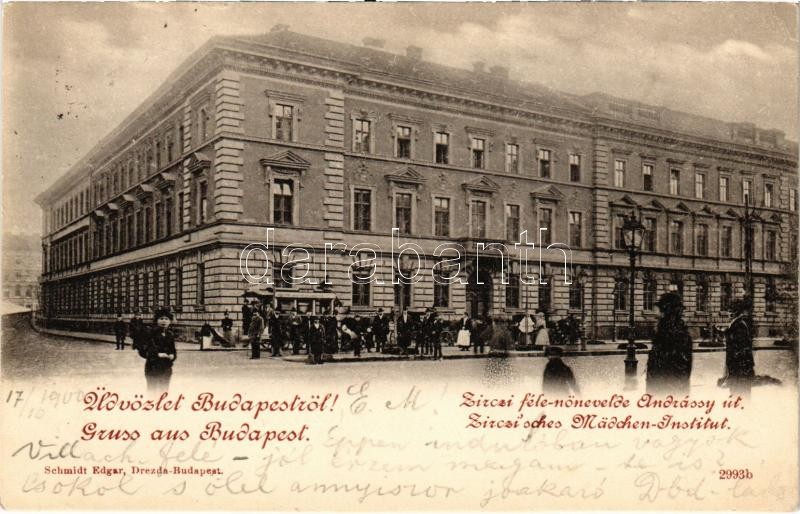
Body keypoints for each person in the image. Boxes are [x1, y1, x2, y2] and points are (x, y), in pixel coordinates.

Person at [646, 292, 693, 394]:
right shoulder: (665, 335)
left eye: (660, 311)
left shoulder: (673, 337)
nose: (656, 315)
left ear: (667, 314)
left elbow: (679, 374)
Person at [724, 296, 755, 396]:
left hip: (740, 370)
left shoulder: (739, 325)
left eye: (730, 311)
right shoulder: (736, 324)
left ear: (735, 312)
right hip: (739, 369)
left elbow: (741, 348)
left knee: (740, 395)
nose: (728, 313)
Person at [143, 309, 177, 392]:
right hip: (153, 367)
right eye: (161, 318)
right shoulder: (150, 333)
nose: (164, 321)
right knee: (152, 390)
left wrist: (172, 355)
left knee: (164, 390)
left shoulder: (170, 334)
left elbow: (173, 349)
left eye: (166, 319)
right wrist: (157, 354)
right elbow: (144, 349)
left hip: (166, 367)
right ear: (156, 320)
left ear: (170, 321)